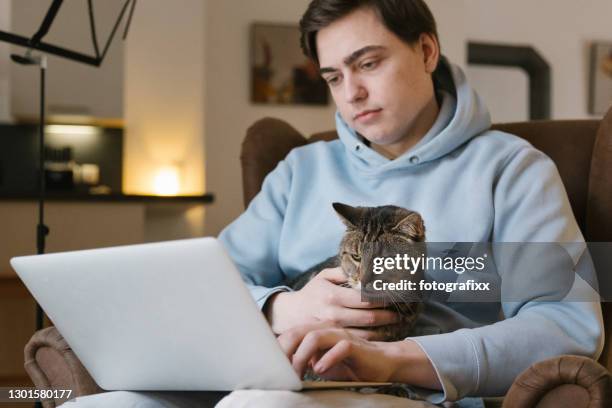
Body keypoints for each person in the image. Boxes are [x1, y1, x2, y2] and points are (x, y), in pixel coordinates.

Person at [68, 0, 602, 406]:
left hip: (405, 393)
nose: (351, 93)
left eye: (367, 63)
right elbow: (203, 287)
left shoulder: (511, 169)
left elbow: (567, 325)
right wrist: (280, 306)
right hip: (278, 374)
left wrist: (392, 360)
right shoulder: (301, 169)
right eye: (333, 77)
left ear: (426, 51)